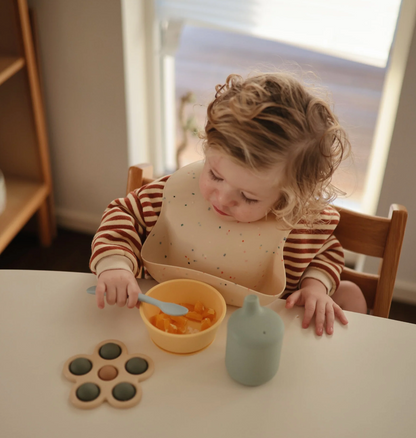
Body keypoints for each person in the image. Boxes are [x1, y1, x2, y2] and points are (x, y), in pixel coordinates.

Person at [90, 72, 367, 336]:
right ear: (208, 148)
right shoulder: (173, 197)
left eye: (247, 197)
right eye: (214, 175)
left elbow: (326, 250)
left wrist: (315, 285)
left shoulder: (297, 225)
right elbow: (124, 212)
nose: (221, 198)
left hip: (250, 335)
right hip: (164, 320)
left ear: (288, 198)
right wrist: (115, 263)